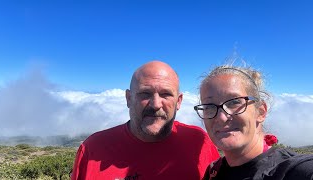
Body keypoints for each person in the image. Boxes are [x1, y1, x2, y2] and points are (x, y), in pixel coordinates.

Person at [71, 61, 219, 180]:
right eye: (145, 94)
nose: (155, 104)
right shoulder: (93, 149)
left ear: (179, 102)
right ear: (129, 98)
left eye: (165, 94)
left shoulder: (200, 143)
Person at [194, 64, 313, 180]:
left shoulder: (297, 171)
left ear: (261, 112)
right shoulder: (214, 172)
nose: (221, 117)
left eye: (234, 102)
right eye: (209, 106)